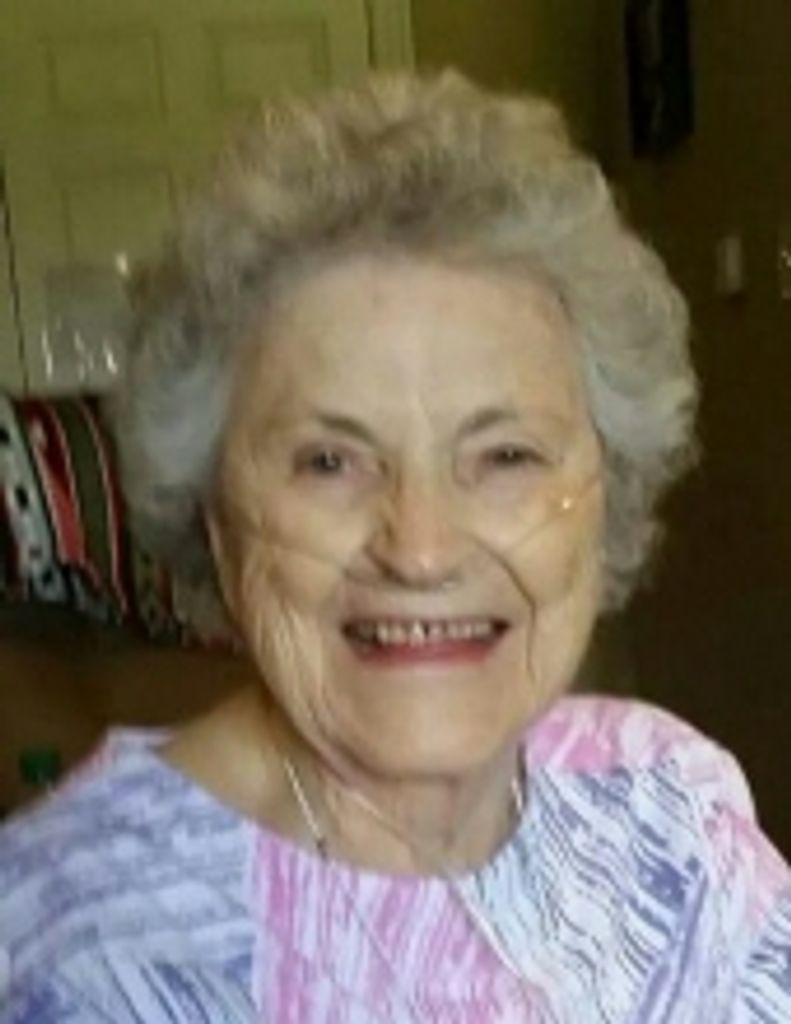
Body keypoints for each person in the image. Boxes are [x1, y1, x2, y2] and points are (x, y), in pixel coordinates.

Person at [1, 70, 789, 1023]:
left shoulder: (671, 809)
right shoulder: (75, 947)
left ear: (604, 494)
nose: (420, 549)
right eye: (328, 462)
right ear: (215, 512)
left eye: (504, 456)